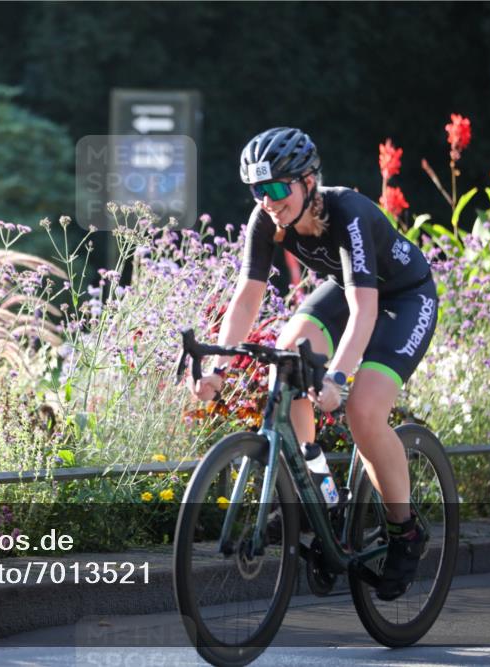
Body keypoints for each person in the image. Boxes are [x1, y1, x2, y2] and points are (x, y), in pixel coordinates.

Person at [190, 127, 438, 600]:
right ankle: (321, 492)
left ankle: (405, 530)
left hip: (403, 298)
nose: (268, 200)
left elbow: (366, 311)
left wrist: (337, 378)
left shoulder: (348, 213)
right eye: (259, 190)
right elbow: (246, 299)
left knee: (362, 411)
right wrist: (218, 367)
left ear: (308, 180)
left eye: (278, 188)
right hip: (347, 292)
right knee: (286, 361)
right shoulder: (265, 221)